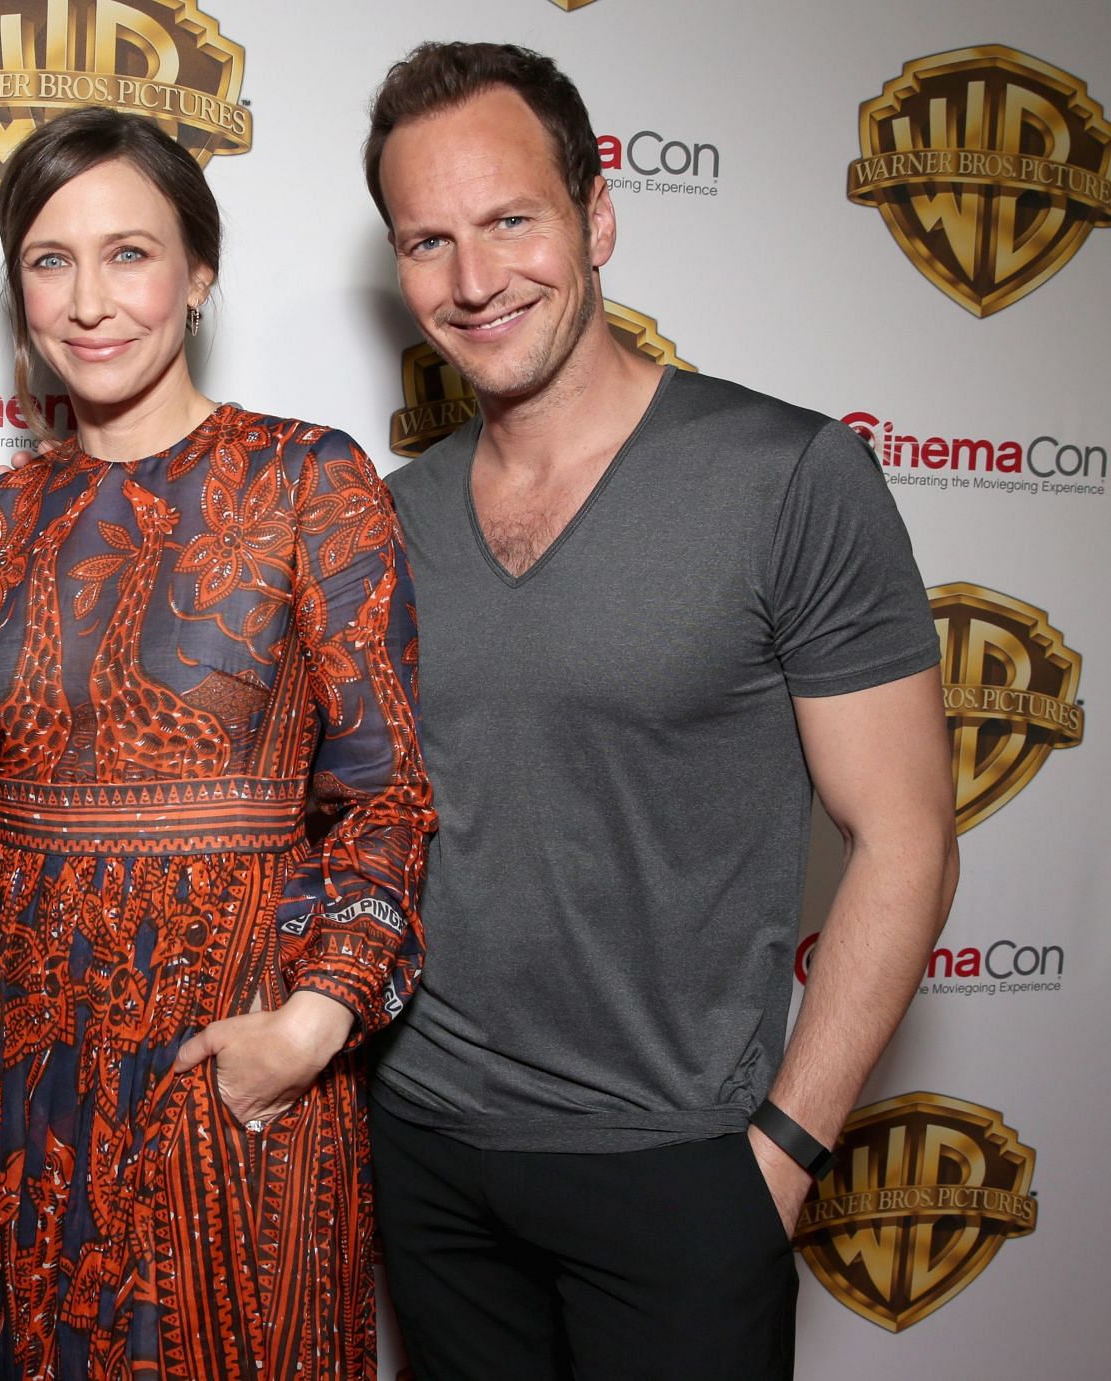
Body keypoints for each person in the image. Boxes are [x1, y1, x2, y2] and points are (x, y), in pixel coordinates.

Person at [360, 43, 959, 1379]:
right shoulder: (387, 521)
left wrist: (785, 1154)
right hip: (429, 1155)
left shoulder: (791, 477)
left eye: (513, 219)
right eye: (428, 239)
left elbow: (907, 835)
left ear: (598, 216)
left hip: (680, 1174)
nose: (473, 279)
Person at [0, 106, 434, 1379]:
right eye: (50, 259)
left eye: (129, 253)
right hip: (24, 1088)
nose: (89, 301)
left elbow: (389, 794)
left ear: (200, 274)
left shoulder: (312, 481)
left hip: (238, 1059)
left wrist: (313, 1022)